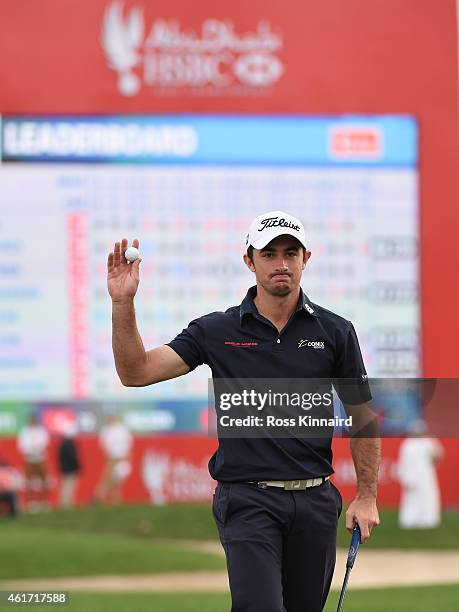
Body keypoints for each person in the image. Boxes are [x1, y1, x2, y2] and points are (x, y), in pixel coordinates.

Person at [107, 210, 381, 612]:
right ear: (249, 261)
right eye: (269, 254)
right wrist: (122, 304)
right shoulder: (216, 330)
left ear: (307, 258)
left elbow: (362, 416)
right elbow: (136, 372)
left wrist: (367, 495)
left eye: (291, 253)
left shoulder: (335, 331)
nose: (281, 263)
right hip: (247, 502)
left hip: (315, 502)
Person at [398, 419, 444, 529]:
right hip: (412, 476)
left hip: (426, 476)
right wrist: (404, 477)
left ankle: (428, 520)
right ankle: (410, 520)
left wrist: (433, 442)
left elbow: (438, 455)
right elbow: (403, 463)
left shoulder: (427, 442)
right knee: (411, 499)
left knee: (427, 497)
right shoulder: (407, 444)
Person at [95, 415, 133, 504]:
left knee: (116, 479)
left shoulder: (122, 429)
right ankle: (104, 496)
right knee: (110, 478)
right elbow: (104, 444)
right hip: (112, 457)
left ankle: (100, 496)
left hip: (121, 456)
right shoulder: (105, 430)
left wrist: (128, 457)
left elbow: (129, 443)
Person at [17, 414, 50, 512]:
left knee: (44, 480)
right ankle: (32, 502)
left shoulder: (41, 431)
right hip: (29, 459)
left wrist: (37, 448)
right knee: (29, 480)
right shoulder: (25, 431)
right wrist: (31, 449)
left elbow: (44, 442)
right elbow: (22, 446)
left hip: (40, 458)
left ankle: (43, 501)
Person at [57, 422, 81, 508]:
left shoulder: (62, 444)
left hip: (65, 469)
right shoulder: (69, 445)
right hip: (70, 470)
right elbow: (73, 458)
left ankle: (66, 503)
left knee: (66, 487)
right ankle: (66, 503)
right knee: (68, 487)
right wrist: (77, 467)